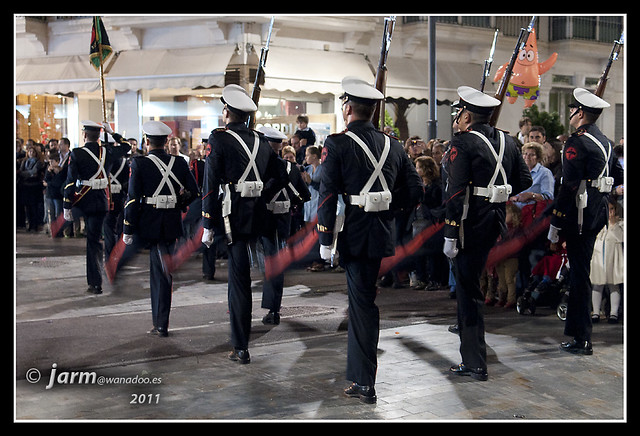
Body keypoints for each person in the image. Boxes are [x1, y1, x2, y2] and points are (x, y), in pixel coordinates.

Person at [316, 77, 422, 403]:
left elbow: (327, 194)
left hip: (353, 231)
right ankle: (363, 375)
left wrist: (325, 237)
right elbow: (415, 191)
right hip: (379, 230)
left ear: (347, 107)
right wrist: (387, 211)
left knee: (362, 305)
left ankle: (365, 381)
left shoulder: (337, 143)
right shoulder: (394, 145)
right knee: (363, 302)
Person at [443, 86, 532, 381]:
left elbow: (455, 193)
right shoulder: (507, 141)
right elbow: (524, 179)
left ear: (467, 115)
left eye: (459, 113)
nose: (457, 117)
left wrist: (451, 232)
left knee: (469, 293)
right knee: (473, 288)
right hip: (493, 220)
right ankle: (473, 355)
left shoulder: (463, 143)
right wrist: (496, 194)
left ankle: (474, 362)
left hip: (468, 223)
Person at [200, 84, 288, 364]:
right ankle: (243, 340)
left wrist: (207, 222)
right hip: (259, 214)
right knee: (251, 275)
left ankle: (240, 346)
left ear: (227, 112)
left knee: (239, 282)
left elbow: (210, 184)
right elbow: (282, 175)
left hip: (232, 216)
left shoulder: (220, 139)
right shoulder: (261, 141)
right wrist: (260, 190)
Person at [547, 88, 624, 355]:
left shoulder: (576, 142)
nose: (570, 114)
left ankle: (582, 338)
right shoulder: (603, 140)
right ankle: (579, 335)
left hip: (579, 214)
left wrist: (556, 224)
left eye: (572, 110)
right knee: (581, 274)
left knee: (580, 276)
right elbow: (618, 175)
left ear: (580, 112)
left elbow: (568, 187)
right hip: (597, 213)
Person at [122, 121, 198, 337]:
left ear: (147, 142)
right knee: (162, 271)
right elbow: (193, 191)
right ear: (166, 142)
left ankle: (160, 324)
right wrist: (178, 202)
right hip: (172, 220)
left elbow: (133, 198)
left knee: (159, 272)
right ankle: (161, 322)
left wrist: (128, 227)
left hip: (150, 221)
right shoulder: (179, 163)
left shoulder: (139, 164)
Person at [63, 121, 131, 294]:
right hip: (102, 201)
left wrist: (66, 205)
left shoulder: (77, 153)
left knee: (91, 241)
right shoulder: (107, 153)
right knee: (95, 241)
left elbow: (70, 181)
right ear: (99, 135)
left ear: (84, 135)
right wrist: (112, 132)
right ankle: (96, 283)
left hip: (84, 199)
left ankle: (94, 282)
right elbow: (126, 146)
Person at [258, 126, 311, 324]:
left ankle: (272, 309)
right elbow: (305, 195)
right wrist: (288, 203)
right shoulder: (290, 168)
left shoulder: (262, 166)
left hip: (265, 219)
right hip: (284, 220)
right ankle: (273, 307)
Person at [590, 199, 623, 324]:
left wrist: (614, 225)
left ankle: (613, 313)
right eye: (607, 209)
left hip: (613, 257)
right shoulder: (598, 223)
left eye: (612, 209)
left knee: (613, 284)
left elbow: (621, 238)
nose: (609, 212)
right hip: (599, 256)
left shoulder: (620, 224)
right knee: (597, 284)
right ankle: (596, 312)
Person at [19, 144, 46, 232]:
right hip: (25, 186)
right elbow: (21, 172)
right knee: (27, 207)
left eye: (33, 152)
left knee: (34, 207)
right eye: (30, 151)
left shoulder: (38, 162)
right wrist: (26, 173)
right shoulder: (25, 161)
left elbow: (34, 172)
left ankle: (34, 225)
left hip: (34, 186)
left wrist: (25, 173)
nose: (31, 153)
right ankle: (30, 224)